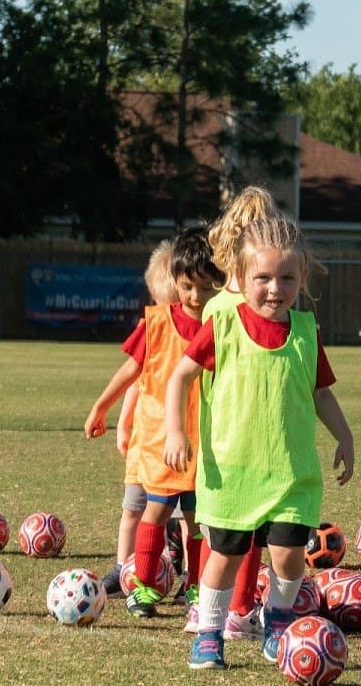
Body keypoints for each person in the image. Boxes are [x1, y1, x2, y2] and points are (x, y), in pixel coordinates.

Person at [163, 216, 354, 670]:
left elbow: (320, 392)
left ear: (303, 277)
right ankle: (209, 632)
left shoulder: (306, 331)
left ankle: (280, 618)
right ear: (241, 278)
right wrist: (176, 430)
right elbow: (180, 377)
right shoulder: (224, 325)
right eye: (263, 278)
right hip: (233, 473)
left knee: (289, 555)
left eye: (287, 277)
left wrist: (344, 436)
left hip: (291, 472)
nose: (275, 288)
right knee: (226, 556)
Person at [84, 228, 224, 617]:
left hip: (207, 444)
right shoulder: (158, 323)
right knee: (157, 511)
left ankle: (197, 588)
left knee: (199, 521)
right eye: (188, 287)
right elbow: (131, 369)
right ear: (176, 282)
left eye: (207, 288)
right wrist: (102, 406)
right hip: (162, 442)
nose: (196, 297)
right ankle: (142, 587)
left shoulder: (224, 323)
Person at [178, 186, 285, 641]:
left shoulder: (225, 304)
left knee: (229, 527)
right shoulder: (226, 308)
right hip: (238, 434)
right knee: (241, 530)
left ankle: (219, 607)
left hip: (231, 436)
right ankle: (234, 608)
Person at [94, 240, 179, 600]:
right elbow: (135, 377)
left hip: (182, 443)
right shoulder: (154, 326)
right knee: (133, 510)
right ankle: (121, 568)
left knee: (189, 518)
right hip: (146, 443)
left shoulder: (203, 328)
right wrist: (122, 420)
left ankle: (189, 577)